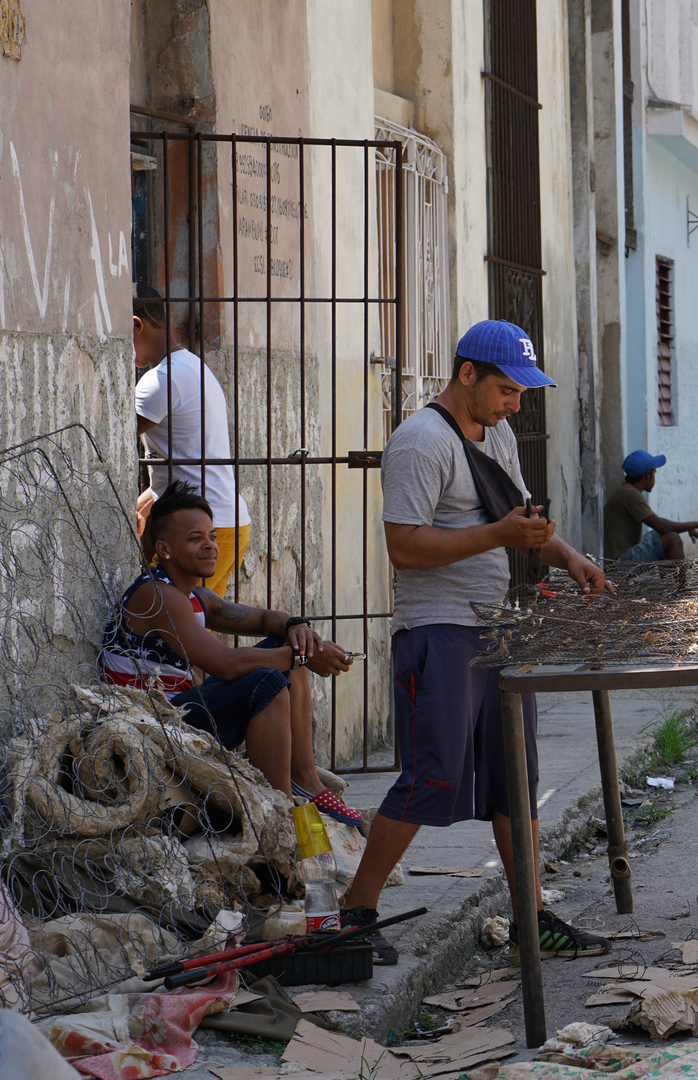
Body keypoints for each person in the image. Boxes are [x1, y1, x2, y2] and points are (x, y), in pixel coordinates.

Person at [338, 320, 613, 965]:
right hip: (437, 631)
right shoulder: (419, 442)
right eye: (506, 391)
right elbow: (404, 547)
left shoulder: (500, 434)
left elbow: (521, 522)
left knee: (515, 779)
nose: (515, 404)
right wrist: (497, 539)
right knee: (430, 776)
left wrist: (567, 555)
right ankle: (356, 911)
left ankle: (531, 915)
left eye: (520, 393)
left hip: (498, 628)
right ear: (466, 375)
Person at [101, 482, 365, 824]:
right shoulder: (156, 595)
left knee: (290, 650)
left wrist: (296, 627)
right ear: (164, 548)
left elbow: (265, 619)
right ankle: (281, 816)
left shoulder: (196, 596)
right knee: (268, 680)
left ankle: (305, 780)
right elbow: (225, 665)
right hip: (154, 723)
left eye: (212, 536)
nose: (211, 546)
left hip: (181, 711)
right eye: (196, 538)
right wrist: (302, 656)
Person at [133, 284, 251, 598]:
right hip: (230, 524)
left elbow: (109, 439)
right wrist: (141, 509)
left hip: (198, 532)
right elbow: (182, 464)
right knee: (199, 629)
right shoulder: (192, 367)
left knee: (168, 629)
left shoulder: (159, 382)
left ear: (136, 324)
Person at [603, 451, 698, 562]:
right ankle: (680, 582)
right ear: (647, 475)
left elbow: (658, 522)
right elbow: (662, 526)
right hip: (618, 563)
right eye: (654, 473)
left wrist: (689, 527)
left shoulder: (626, 492)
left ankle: (669, 581)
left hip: (620, 556)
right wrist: (697, 524)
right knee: (672, 539)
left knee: (667, 535)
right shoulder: (631, 495)